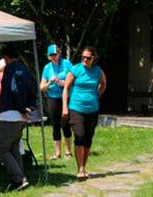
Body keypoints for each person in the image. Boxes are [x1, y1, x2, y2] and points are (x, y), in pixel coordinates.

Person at [0, 45, 38, 191]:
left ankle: (18, 179)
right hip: (21, 116)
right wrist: (30, 107)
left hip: (10, 114)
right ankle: (21, 178)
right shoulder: (25, 69)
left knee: (1, 149)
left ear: (6, 58)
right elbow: (33, 89)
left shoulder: (10, 68)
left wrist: (21, 108)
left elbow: (13, 89)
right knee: (13, 148)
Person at [62, 46, 107, 181]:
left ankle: (84, 166)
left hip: (92, 109)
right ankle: (80, 169)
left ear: (94, 58)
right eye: (83, 57)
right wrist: (65, 107)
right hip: (76, 108)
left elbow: (103, 83)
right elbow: (66, 88)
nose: (85, 60)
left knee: (88, 138)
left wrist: (96, 95)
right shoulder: (76, 69)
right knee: (79, 135)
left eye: (88, 58)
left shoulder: (98, 71)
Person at [40, 44, 74, 160]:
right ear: (48, 56)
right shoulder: (47, 67)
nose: (54, 57)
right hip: (52, 98)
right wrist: (50, 82)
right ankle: (57, 153)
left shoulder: (67, 64)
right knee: (55, 125)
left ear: (59, 54)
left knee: (65, 123)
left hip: (66, 97)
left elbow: (75, 79)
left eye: (56, 54)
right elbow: (42, 87)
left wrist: (64, 83)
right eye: (52, 55)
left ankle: (68, 152)